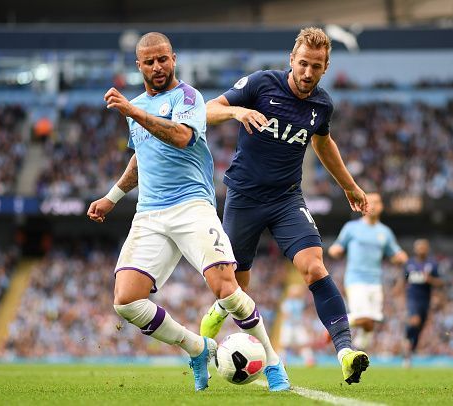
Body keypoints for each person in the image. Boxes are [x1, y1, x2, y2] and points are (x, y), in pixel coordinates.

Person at [86, 32, 289, 392]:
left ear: (173, 58)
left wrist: (134, 110)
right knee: (126, 301)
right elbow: (141, 158)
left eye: (162, 59)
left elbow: (180, 136)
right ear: (139, 65)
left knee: (226, 289)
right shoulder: (134, 108)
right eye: (149, 61)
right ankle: (196, 347)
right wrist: (112, 196)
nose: (157, 66)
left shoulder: (188, 98)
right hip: (150, 213)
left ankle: (273, 362)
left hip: (192, 206)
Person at [200, 27, 370, 384]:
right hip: (244, 198)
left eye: (317, 66)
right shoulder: (261, 84)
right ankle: (218, 312)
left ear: (326, 67)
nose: (308, 73)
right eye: (304, 64)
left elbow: (323, 144)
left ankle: (345, 352)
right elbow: (208, 109)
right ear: (291, 60)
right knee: (235, 291)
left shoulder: (322, 105)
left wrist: (350, 186)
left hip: (286, 199)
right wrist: (236, 113)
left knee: (313, 266)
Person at [328, 192, 408, 351]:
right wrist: (335, 250)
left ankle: (356, 353)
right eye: (370, 202)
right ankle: (332, 324)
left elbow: (395, 254)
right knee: (363, 317)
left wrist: (401, 256)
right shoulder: (352, 228)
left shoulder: (385, 232)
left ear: (382, 207)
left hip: (375, 282)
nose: (373, 205)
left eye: (377, 202)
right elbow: (336, 247)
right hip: (356, 279)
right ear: (363, 206)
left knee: (370, 323)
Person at [399, 239, 443, 367]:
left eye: (424, 247)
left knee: (419, 328)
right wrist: (398, 292)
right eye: (419, 247)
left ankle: (409, 352)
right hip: (412, 298)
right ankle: (406, 338)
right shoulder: (409, 263)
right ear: (415, 249)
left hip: (425, 301)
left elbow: (440, 282)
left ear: (427, 249)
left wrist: (430, 280)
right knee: (415, 321)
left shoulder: (432, 264)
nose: (421, 249)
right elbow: (403, 279)